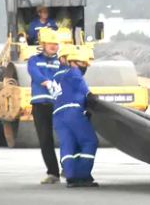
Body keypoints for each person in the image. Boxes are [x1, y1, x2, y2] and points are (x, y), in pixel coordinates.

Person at [53, 44, 99, 188]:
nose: (83, 66)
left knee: (68, 145)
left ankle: (71, 177)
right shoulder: (72, 72)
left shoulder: (55, 77)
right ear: (68, 60)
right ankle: (83, 175)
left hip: (58, 116)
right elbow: (79, 83)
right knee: (89, 141)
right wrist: (89, 96)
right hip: (73, 112)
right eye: (81, 63)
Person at [26, 28, 62, 185]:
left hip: (57, 104)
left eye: (56, 44)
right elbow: (35, 73)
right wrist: (47, 82)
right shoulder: (34, 60)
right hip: (40, 105)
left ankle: (69, 167)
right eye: (50, 43)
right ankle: (53, 173)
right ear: (43, 44)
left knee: (65, 136)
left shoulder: (61, 62)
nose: (54, 46)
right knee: (45, 139)